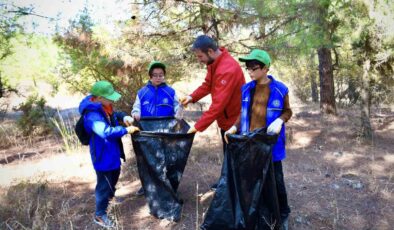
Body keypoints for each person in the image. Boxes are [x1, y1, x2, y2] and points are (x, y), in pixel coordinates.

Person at [224, 49, 292, 230]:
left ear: (265, 68)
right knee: (253, 179)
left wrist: (280, 120)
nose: (250, 72)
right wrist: (234, 127)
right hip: (250, 144)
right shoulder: (246, 89)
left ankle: (283, 212)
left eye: (254, 68)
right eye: (248, 69)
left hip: (271, 145)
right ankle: (258, 210)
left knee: (276, 179)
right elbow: (242, 113)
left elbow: (287, 111)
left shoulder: (280, 89)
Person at [180, 35, 245, 190]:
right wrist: (191, 97)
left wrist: (197, 126)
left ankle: (237, 192)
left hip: (236, 122)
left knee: (236, 157)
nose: (199, 60)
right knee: (228, 154)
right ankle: (227, 184)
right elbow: (208, 84)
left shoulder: (227, 69)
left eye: (200, 56)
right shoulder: (213, 62)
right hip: (225, 120)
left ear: (210, 51)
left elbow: (218, 106)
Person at [78, 80, 139, 228]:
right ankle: (100, 215)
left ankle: (109, 199)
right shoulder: (92, 114)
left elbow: (114, 115)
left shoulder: (104, 107)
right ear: (98, 97)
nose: (112, 99)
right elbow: (104, 131)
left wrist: (124, 117)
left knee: (115, 174)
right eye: (109, 97)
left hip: (112, 151)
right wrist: (125, 130)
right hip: (102, 154)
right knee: (104, 184)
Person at [131, 61, 180, 196]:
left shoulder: (170, 92)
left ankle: (169, 186)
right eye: (155, 75)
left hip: (166, 132)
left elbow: (177, 106)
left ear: (164, 76)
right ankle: (147, 185)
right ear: (150, 76)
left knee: (167, 159)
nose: (158, 77)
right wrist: (135, 113)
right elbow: (136, 107)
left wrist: (179, 112)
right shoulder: (142, 92)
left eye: (161, 75)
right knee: (148, 159)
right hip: (147, 132)